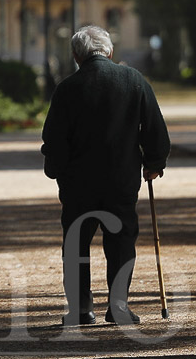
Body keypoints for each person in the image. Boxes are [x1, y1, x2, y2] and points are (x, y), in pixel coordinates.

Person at [41, 25, 171, 326]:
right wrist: (155, 161)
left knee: (75, 244)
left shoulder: (67, 89)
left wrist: (55, 169)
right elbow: (155, 128)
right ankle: (118, 307)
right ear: (110, 51)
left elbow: (55, 139)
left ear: (76, 56)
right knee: (121, 242)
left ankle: (81, 309)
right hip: (121, 180)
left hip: (77, 183)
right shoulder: (134, 81)